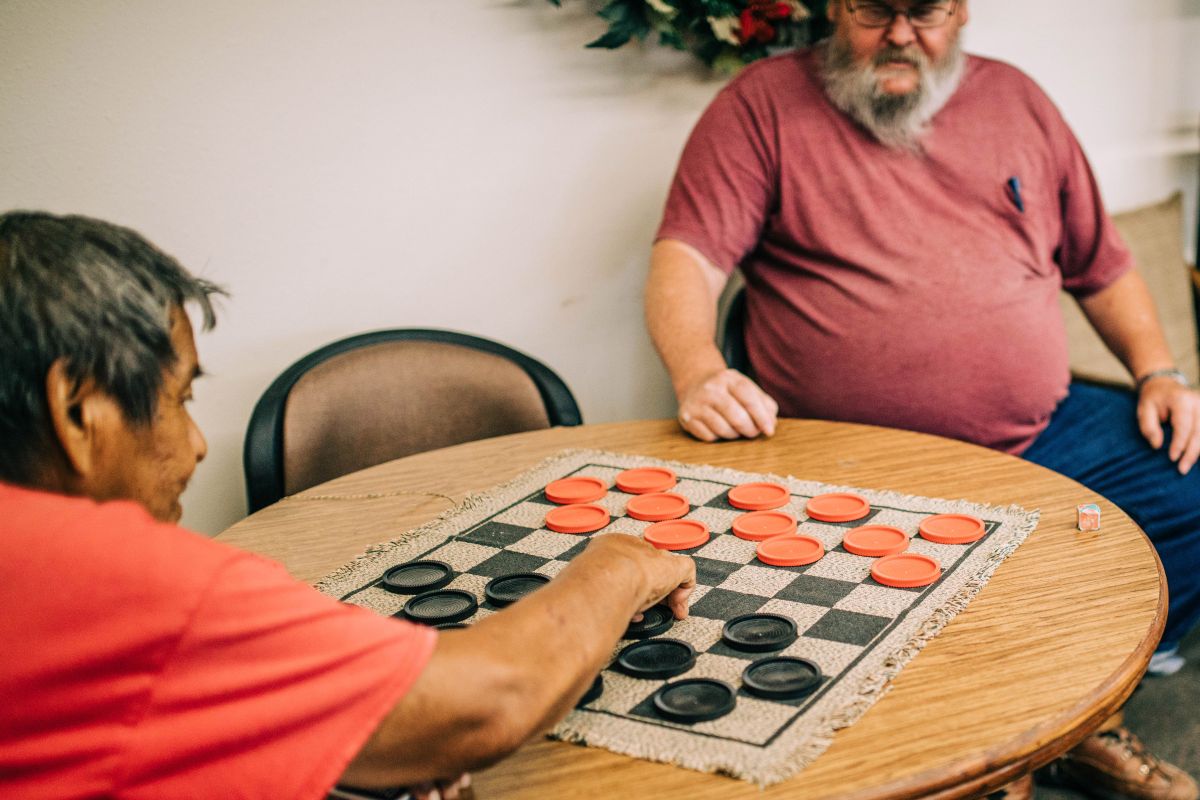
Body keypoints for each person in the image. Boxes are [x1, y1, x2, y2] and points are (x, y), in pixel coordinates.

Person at [644, 1, 1199, 799]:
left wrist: (1161, 374)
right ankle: (978, 735)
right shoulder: (760, 105)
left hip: (1040, 436)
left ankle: (1075, 717)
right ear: (836, 5)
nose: (901, 32)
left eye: (925, 8)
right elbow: (687, 258)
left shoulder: (1020, 101)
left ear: (961, 9)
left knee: (1187, 479)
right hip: (850, 459)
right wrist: (697, 371)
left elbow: (1100, 264)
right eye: (875, 7)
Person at [0, 211, 697, 800]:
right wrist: (618, 567)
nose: (198, 442)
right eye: (178, 398)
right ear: (77, 407)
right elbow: (494, 696)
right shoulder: (124, 587)